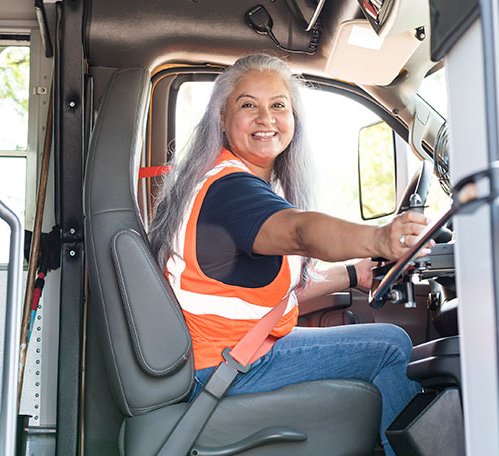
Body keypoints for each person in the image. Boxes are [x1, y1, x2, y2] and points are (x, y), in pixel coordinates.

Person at [149, 53, 428, 456]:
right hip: (226, 369)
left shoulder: (220, 179)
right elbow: (302, 231)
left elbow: (262, 297)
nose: (266, 118)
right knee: (391, 345)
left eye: (278, 105)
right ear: (222, 120)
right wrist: (382, 238)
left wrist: (355, 273)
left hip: (226, 354)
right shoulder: (233, 193)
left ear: (293, 120)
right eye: (249, 105)